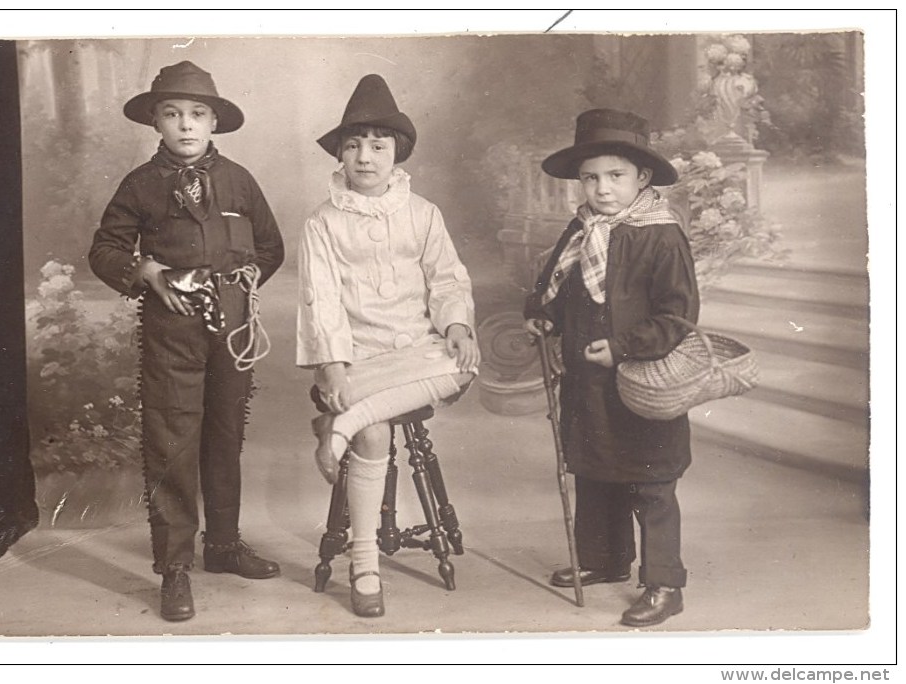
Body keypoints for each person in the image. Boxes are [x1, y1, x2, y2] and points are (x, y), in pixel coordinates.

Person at [89, 61, 285, 622]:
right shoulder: (140, 185)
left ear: (215, 120)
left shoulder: (241, 181)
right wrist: (148, 272)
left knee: (224, 434)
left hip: (234, 328)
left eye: (197, 114)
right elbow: (104, 251)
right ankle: (175, 567)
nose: (186, 125)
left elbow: (270, 248)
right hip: (171, 332)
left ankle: (222, 547)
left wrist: (237, 285)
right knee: (173, 439)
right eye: (173, 114)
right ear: (155, 120)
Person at [297, 74, 480, 618]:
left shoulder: (422, 213)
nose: (365, 157)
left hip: (418, 350)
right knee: (375, 433)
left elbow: (446, 279)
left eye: (378, 145)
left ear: (397, 152)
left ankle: (342, 423)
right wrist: (332, 367)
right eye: (352, 145)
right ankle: (365, 563)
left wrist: (456, 326)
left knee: (465, 364)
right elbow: (320, 299)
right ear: (340, 154)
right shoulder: (323, 222)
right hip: (356, 358)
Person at [523, 108, 699, 627]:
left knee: (650, 480)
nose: (601, 189)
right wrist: (540, 316)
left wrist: (623, 347)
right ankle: (605, 558)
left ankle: (664, 582)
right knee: (596, 470)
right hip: (586, 376)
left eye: (615, 176)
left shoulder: (660, 235)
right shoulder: (581, 230)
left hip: (642, 378)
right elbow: (551, 286)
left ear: (642, 178)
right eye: (590, 177)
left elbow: (678, 314)